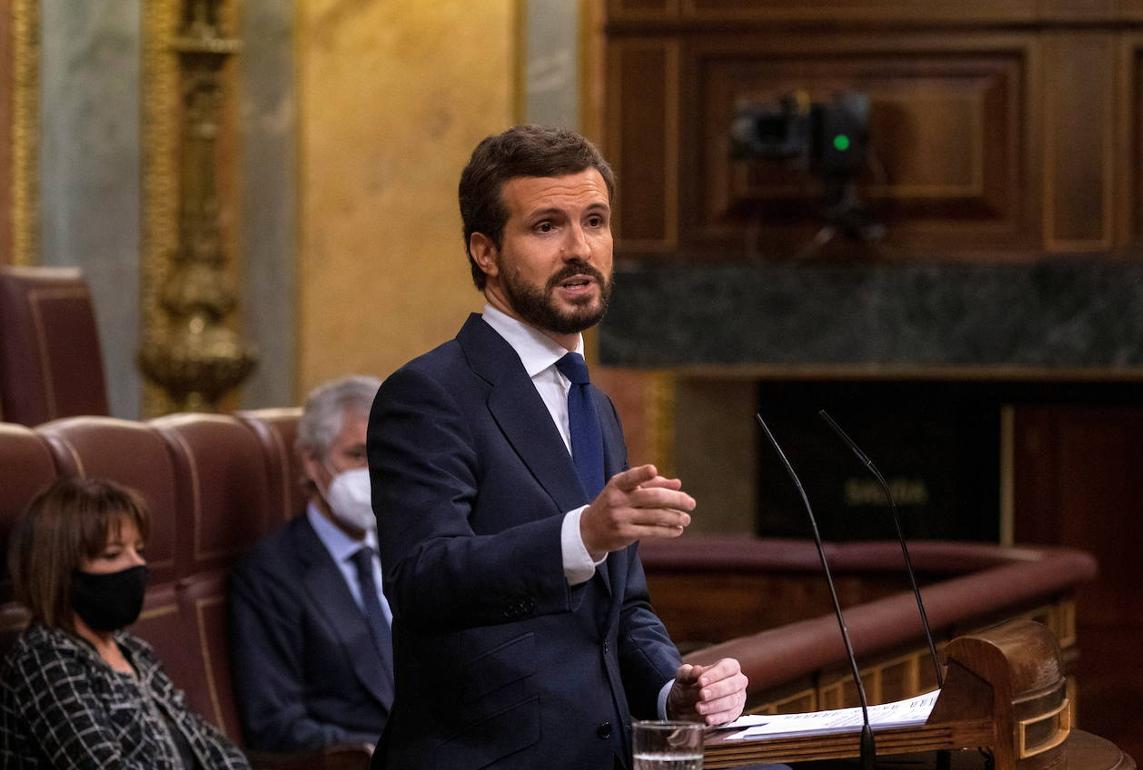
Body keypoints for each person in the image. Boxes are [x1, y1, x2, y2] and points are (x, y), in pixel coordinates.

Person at [366, 125, 751, 769]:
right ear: (485, 251)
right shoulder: (428, 393)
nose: (580, 250)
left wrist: (669, 690)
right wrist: (583, 535)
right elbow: (422, 578)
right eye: (547, 226)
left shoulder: (593, 404)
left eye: (595, 221)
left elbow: (622, 605)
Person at [0, 476, 250, 770]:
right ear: (61, 571)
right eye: (113, 554)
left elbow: (210, 745)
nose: (138, 565)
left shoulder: (133, 649)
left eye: (139, 550)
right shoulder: (45, 659)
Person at [229, 375, 392, 751]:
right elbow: (275, 723)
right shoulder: (271, 573)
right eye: (357, 455)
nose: (375, 472)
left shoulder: (410, 545)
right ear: (312, 462)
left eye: (384, 455)